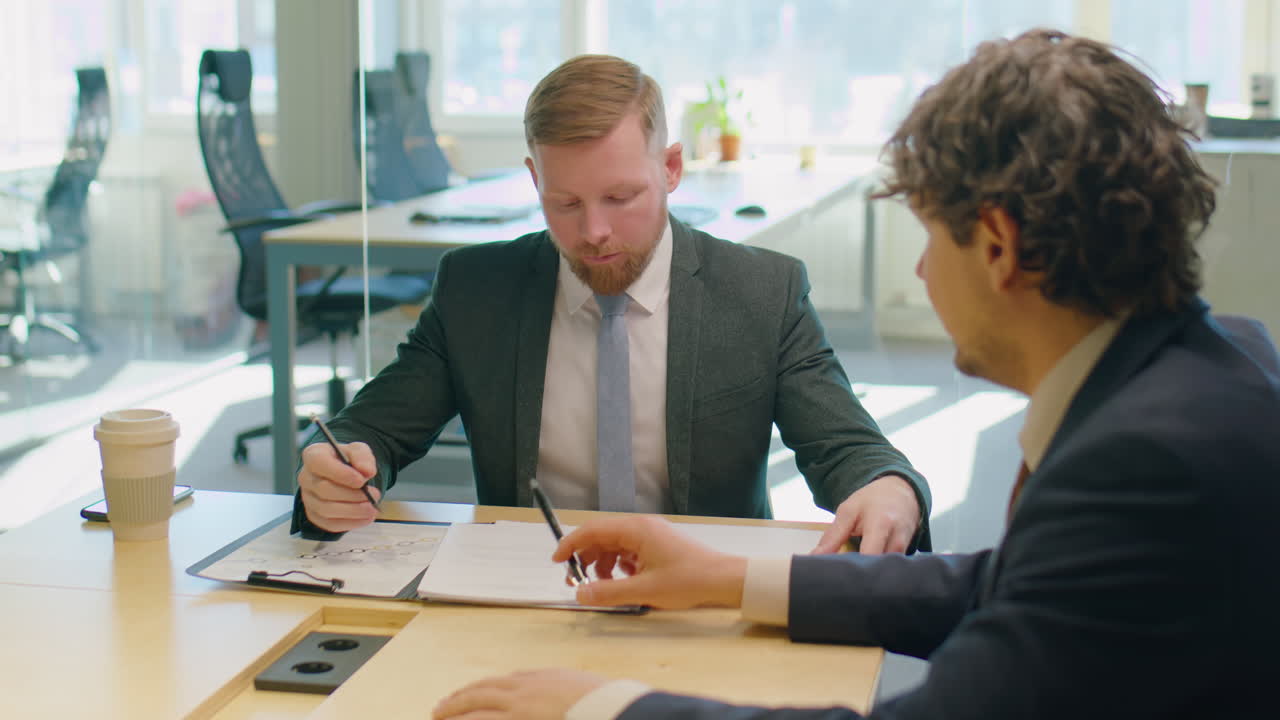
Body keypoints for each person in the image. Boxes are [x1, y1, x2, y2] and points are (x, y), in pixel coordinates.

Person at [430, 30, 1280, 720]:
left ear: (997, 247)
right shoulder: (1209, 369)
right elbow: (1000, 586)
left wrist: (610, 709)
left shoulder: (1145, 464)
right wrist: (726, 575)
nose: (918, 276)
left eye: (927, 238)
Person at [293, 54, 930, 555]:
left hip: (704, 593)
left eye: (621, 197)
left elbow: (849, 448)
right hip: (523, 589)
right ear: (534, 178)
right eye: (565, 204)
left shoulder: (762, 293)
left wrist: (888, 489)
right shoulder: (476, 289)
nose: (593, 230)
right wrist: (337, 467)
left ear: (672, 168)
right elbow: (372, 428)